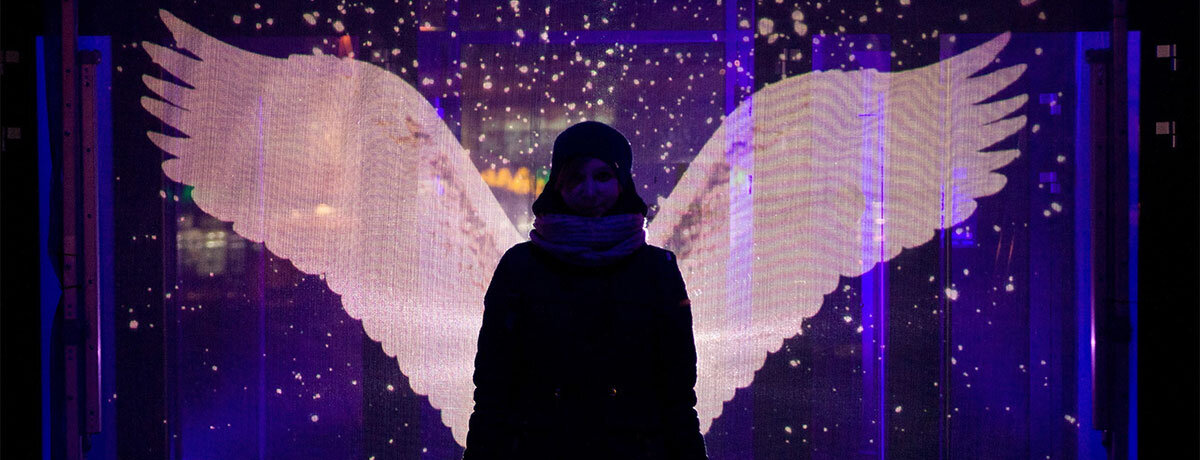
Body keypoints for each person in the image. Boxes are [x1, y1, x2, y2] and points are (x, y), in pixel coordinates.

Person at [462, 121, 708, 459]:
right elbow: (493, 386)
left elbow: (677, 392)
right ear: (558, 184)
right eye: (575, 177)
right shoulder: (520, 266)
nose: (589, 190)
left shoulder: (657, 269)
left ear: (622, 182)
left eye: (603, 176)